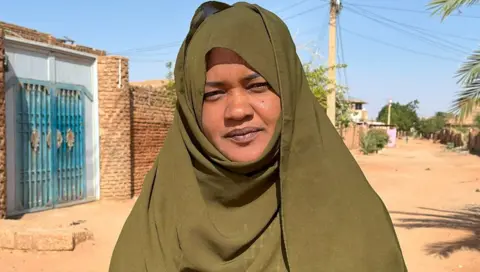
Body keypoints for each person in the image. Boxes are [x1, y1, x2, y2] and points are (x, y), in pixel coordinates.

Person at [109, 1, 408, 271]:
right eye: (213, 94)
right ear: (191, 107)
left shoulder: (353, 218)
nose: (237, 110)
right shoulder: (157, 218)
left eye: (257, 86)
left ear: (289, 93)